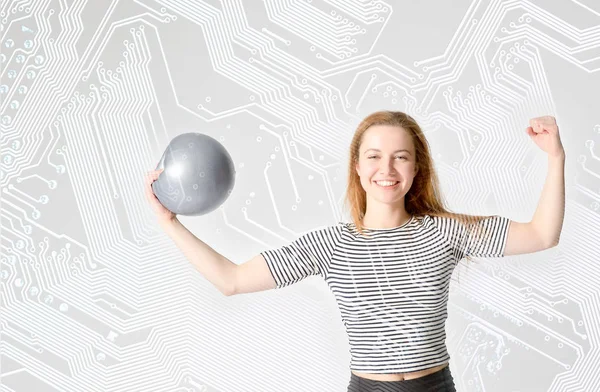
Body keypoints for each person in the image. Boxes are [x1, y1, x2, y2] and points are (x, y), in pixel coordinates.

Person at [145, 111, 565, 391]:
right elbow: (231, 280)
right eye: (375, 157)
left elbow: (542, 234)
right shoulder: (332, 244)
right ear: (358, 168)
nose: (387, 169)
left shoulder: (446, 232)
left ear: (416, 169)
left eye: (401, 157)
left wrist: (555, 158)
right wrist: (170, 223)